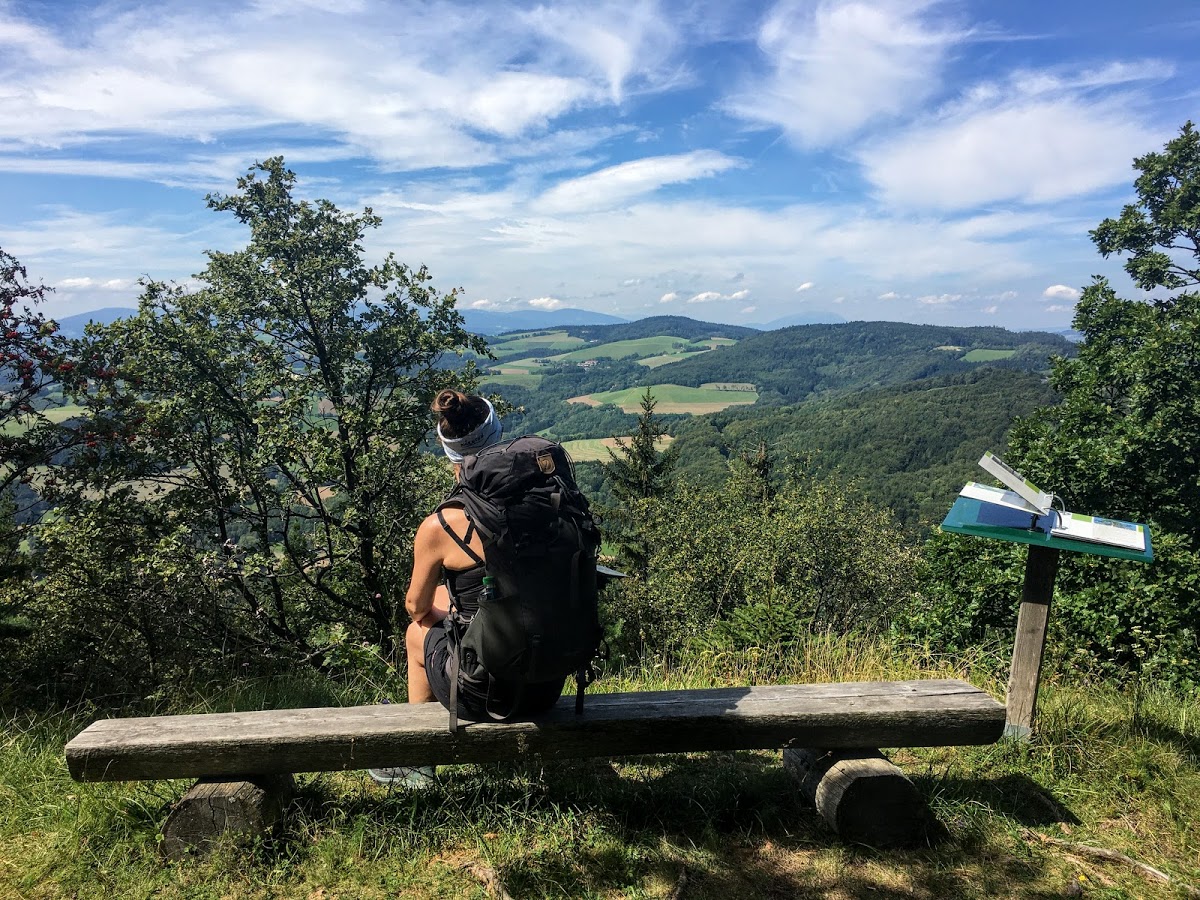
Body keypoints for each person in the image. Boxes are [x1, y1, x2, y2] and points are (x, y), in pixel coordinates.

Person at [369, 390, 565, 785]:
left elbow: (416, 607)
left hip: (485, 695)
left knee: (416, 631)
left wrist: (447, 610)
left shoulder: (442, 525)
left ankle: (418, 763)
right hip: (550, 681)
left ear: (450, 453)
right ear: (499, 432)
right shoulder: (550, 500)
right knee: (451, 600)